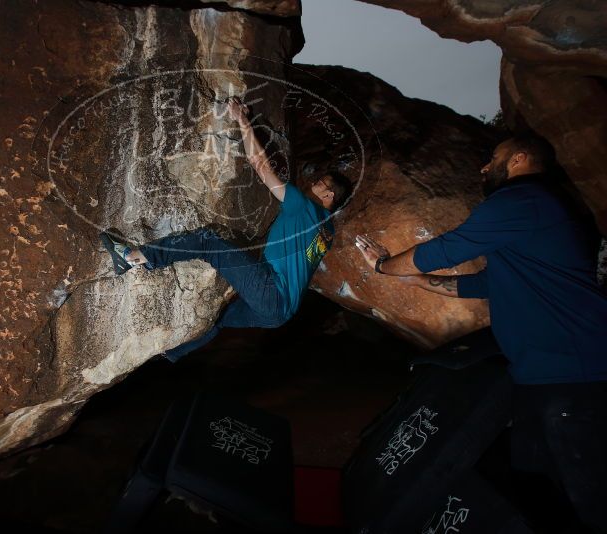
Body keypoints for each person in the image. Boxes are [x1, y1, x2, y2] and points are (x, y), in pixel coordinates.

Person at [354, 135, 607, 532]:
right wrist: (418, 281)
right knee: (534, 487)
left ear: (521, 158)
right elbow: (485, 283)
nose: (484, 167)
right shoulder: (538, 212)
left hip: (574, 377)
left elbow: (443, 250)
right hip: (537, 380)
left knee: (590, 496)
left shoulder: (522, 201)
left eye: (494, 158)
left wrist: (386, 267)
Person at [100, 96, 345, 362]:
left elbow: (261, 166)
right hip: (279, 314)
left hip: (271, 292)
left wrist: (242, 119)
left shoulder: (303, 207)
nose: (315, 183)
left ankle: (133, 258)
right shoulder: (327, 232)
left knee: (210, 242)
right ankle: (170, 352)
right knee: (215, 318)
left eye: (321, 182)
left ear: (329, 194)